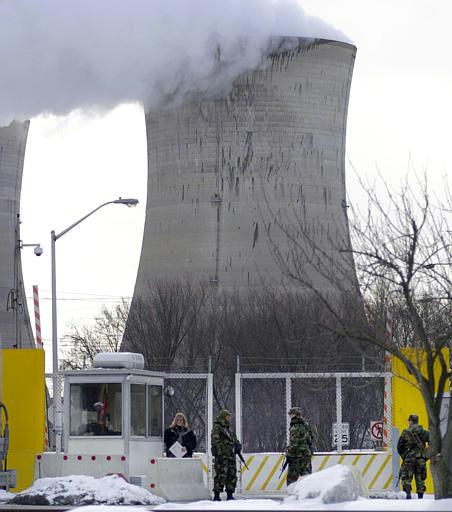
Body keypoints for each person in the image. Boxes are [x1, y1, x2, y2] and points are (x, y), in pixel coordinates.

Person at [397, 414, 430, 499]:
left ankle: (408, 495)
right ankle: (420, 498)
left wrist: (405, 456)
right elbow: (433, 445)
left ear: (411, 421)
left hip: (409, 459)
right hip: (421, 459)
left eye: (409, 421)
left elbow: (399, 447)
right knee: (420, 479)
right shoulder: (425, 432)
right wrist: (425, 456)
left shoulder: (406, 432)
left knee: (407, 478)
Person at [211, 409, 241, 501]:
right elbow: (215, 441)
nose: (229, 419)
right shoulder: (217, 427)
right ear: (223, 417)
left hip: (230, 456)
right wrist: (221, 452)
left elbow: (235, 440)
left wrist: (238, 446)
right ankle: (217, 495)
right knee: (221, 475)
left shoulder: (228, 429)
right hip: (222, 456)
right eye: (227, 417)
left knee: (232, 475)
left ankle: (230, 494)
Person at [285, 406, 314, 486]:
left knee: (292, 480)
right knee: (306, 477)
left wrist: (288, 453)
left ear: (294, 415)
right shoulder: (306, 425)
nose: (290, 416)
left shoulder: (295, 427)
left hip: (296, 457)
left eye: (291, 414)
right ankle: (307, 493)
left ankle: (292, 495)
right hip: (306, 455)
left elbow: (294, 443)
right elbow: (311, 438)